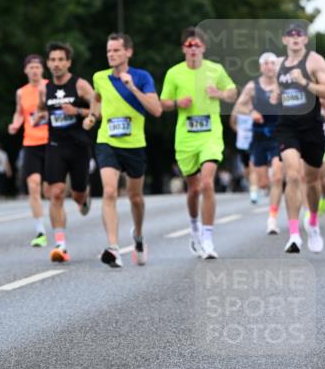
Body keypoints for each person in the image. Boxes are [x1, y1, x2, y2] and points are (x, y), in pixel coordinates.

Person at [84, 33, 162, 268]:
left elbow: (157, 110)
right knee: (109, 192)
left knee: (135, 198)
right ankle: (113, 248)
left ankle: (138, 237)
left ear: (128, 52)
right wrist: (92, 116)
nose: (111, 55)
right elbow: (97, 98)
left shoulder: (142, 77)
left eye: (116, 50)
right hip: (107, 142)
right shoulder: (100, 77)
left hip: (135, 145)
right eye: (109, 51)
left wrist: (132, 88)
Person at [161, 26, 237, 259]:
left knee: (206, 183)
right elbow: (162, 102)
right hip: (186, 138)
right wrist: (176, 103)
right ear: (184, 49)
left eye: (197, 45)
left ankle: (208, 238)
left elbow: (233, 91)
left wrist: (221, 94)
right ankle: (194, 229)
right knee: (193, 189)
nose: (193, 49)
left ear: (203, 47)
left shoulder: (216, 70)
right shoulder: (174, 73)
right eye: (188, 45)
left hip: (210, 135)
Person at [272, 20, 325, 254]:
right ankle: (294, 234)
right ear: (285, 40)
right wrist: (276, 95)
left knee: (312, 181)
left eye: (300, 34)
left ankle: (313, 222)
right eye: (291, 34)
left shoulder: (314, 61)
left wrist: (304, 82)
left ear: (306, 40)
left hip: (312, 127)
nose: (295, 37)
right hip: (287, 126)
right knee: (291, 174)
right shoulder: (278, 64)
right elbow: (277, 91)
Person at [36, 42, 95, 263]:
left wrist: (78, 111)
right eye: (53, 60)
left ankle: (84, 197)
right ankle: (60, 245)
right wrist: (39, 115)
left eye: (61, 59)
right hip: (55, 146)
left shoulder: (80, 85)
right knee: (56, 192)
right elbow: (43, 108)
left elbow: (99, 109)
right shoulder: (45, 88)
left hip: (79, 146)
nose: (57, 64)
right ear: (48, 63)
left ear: (68, 62)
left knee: (77, 194)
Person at [232, 52, 283, 234]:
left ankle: (272, 218)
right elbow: (239, 106)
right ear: (261, 67)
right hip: (259, 136)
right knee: (263, 182)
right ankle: (267, 185)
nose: (269, 66)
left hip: (278, 136)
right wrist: (252, 111)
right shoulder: (253, 86)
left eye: (272, 63)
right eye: (266, 64)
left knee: (277, 176)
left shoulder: (282, 85)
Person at [8, 55, 49, 247]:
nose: (34, 71)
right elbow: (19, 112)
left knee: (51, 189)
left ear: (42, 70)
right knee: (33, 185)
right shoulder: (21, 92)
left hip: (51, 142)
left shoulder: (50, 87)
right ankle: (40, 230)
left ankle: (81, 196)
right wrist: (15, 124)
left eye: (37, 67)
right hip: (31, 143)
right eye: (31, 67)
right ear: (25, 70)